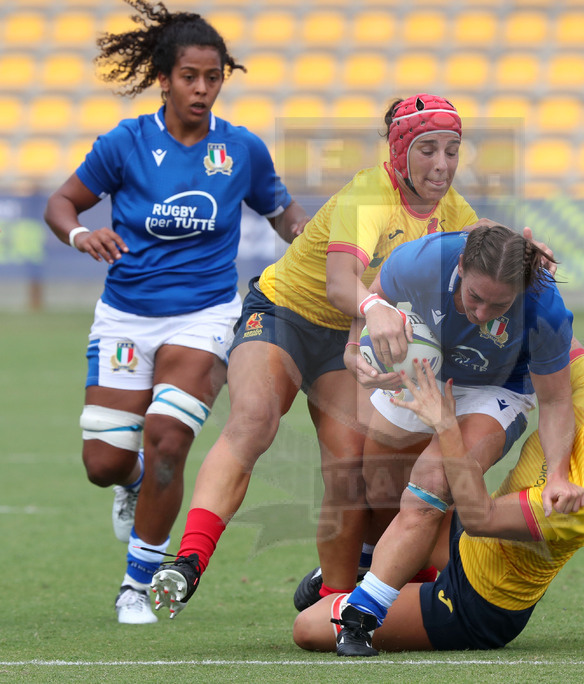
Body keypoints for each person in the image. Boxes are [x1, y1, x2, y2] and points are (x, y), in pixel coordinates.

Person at [151, 93, 492, 617]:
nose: (442, 164)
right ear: (399, 151)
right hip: (285, 314)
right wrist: (376, 308)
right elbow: (340, 285)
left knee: (352, 468)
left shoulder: (449, 207)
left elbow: (481, 243)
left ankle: (334, 598)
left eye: (452, 149)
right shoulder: (368, 195)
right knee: (255, 419)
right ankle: (189, 560)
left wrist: (523, 252)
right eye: (427, 150)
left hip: (347, 340)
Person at [43, 0, 307, 624]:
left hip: (206, 317)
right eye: (190, 76)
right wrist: (82, 236)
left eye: (213, 77)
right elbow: (62, 202)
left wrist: (314, 235)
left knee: (167, 442)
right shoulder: (126, 143)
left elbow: (283, 212)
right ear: (164, 77)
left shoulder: (241, 150)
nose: (202, 88)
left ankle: (138, 582)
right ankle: (132, 484)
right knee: (103, 463)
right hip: (126, 315)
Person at [293, 344, 584, 655]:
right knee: (394, 467)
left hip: (474, 603)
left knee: (309, 629)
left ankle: (370, 581)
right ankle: (377, 569)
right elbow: (556, 337)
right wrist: (528, 268)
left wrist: (445, 422)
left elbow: (478, 516)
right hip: (459, 544)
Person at [293, 223, 582, 613]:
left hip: (496, 390)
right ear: (461, 265)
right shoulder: (421, 261)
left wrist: (560, 474)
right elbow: (374, 300)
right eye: (475, 298)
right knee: (379, 487)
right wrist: (352, 346)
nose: (482, 314)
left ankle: (371, 604)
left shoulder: (545, 308)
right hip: (428, 369)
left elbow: (557, 401)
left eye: (499, 306)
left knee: (432, 480)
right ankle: (381, 562)